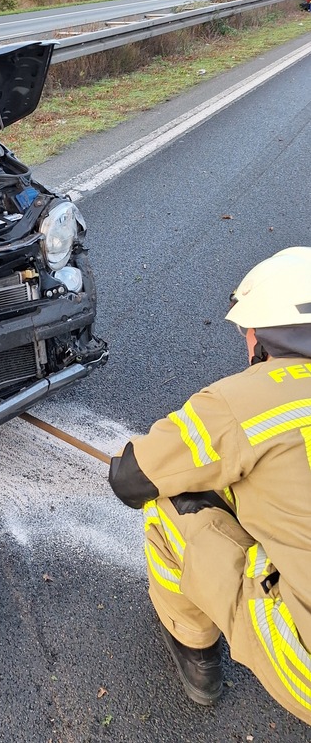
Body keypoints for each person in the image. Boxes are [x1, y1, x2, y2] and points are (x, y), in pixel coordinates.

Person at [108, 247, 311, 725]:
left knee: (169, 503)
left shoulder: (243, 402)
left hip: (303, 665)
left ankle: (195, 651)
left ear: (260, 336)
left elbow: (132, 479)